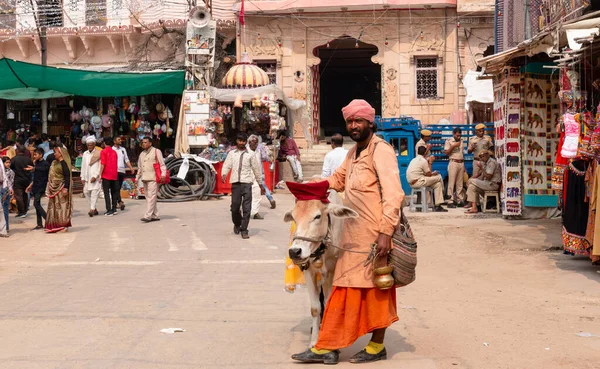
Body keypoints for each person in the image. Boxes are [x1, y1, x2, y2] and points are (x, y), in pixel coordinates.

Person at [292, 99, 404, 365]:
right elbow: (337, 180)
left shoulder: (381, 151)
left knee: (377, 290)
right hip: (351, 236)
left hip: (375, 236)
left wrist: (386, 232)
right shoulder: (353, 153)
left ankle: (376, 347)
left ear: (370, 123)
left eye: (358, 121)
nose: (354, 126)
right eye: (350, 122)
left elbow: (394, 194)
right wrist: (310, 186)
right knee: (342, 290)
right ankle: (327, 346)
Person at [222, 133, 262, 239]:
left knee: (247, 208)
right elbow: (227, 165)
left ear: (245, 142)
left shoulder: (251, 155)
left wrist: (260, 182)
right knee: (235, 207)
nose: (241, 143)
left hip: (247, 183)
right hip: (235, 183)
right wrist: (224, 174)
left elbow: (256, 169)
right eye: (239, 141)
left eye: (243, 141)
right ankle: (237, 223)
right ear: (237, 141)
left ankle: (244, 230)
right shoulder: (232, 153)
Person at [406, 146, 448, 212]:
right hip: (418, 182)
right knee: (439, 177)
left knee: (437, 184)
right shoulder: (423, 161)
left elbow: (423, 173)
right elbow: (428, 174)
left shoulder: (413, 160)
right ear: (425, 153)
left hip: (413, 182)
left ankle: (437, 206)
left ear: (417, 152)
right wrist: (430, 162)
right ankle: (444, 195)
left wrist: (432, 173)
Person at [136, 137, 167, 222]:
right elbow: (140, 167)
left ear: (150, 143)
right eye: (143, 142)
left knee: (152, 197)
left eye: (145, 142)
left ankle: (148, 215)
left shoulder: (156, 151)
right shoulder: (142, 154)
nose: (144, 144)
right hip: (145, 178)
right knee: (149, 197)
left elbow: (162, 164)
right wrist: (137, 178)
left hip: (153, 178)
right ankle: (155, 215)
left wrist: (163, 174)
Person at [45, 146, 72, 233]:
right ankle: (54, 225)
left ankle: (63, 226)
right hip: (53, 188)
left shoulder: (64, 164)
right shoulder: (54, 162)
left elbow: (67, 176)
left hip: (61, 188)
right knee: (53, 207)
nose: (54, 154)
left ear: (61, 154)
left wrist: (66, 188)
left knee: (62, 207)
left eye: (56, 152)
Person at [247, 135, 273, 219]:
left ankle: (255, 212)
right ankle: (244, 210)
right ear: (249, 142)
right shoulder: (245, 151)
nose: (254, 144)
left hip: (258, 175)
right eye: (253, 142)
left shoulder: (259, 150)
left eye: (256, 142)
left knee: (257, 194)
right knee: (246, 194)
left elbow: (264, 157)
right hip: (247, 175)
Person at [26, 148, 50, 230]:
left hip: (42, 186)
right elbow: (36, 176)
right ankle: (39, 224)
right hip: (35, 185)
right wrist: (30, 185)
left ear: (41, 155)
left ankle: (48, 219)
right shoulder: (36, 163)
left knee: (36, 204)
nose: (34, 156)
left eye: (36, 154)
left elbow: (44, 170)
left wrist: (34, 168)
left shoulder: (45, 163)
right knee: (37, 204)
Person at [444, 127, 465, 208]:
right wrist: (453, 146)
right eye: (457, 135)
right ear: (454, 134)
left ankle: (459, 200)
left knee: (460, 183)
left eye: (460, 135)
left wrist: (464, 165)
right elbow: (446, 153)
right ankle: (450, 200)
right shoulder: (449, 141)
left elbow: (462, 153)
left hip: (461, 162)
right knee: (451, 182)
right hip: (453, 162)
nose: (458, 137)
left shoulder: (462, 141)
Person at [81, 136, 102, 217]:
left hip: (95, 177)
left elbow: (100, 166)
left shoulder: (98, 153)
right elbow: (83, 166)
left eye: (91, 145)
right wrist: (82, 177)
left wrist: (95, 176)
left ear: (94, 144)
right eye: (88, 145)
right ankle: (94, 208)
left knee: (94, 193)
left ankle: (92, 209)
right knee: (86, 191)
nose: (89, 146)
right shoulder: (85, 154)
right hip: (86, 177)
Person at [10, 144, 33, 218]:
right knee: (25, 195)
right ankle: (24, 210)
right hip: (27, 179)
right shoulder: (28, 159)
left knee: (18, 195)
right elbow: (32, 168)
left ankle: (22, 211)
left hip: (18, 179)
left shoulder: (14, 159)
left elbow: (10, 168)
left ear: (17, 151)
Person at [113, 136, 134, 211]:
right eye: (118, 139)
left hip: (122, 170)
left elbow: (126, 159)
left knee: (118, 187)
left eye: (120, 140)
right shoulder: (112, 149)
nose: (120, 141)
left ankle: (117, 202)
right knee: (116, 187)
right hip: (114, 170)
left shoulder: (123, 149)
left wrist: (131, 168)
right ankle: (119, 202)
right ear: (114, 141)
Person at [99, 137, 119, 216]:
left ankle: (109, 209)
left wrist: (100, 174)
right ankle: (114, 208)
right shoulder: (114, 152)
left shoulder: (103, 151)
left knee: (106, 192)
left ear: (104, 143)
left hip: (106, 174)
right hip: (114, 173)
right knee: (114, 191)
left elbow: (103, 163)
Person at [1, 157, 14, 232]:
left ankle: (6, 227)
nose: (8, 164)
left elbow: (11, 183)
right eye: (6, 162)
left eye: (9, 162)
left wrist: (11, 190)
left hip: (6, 191)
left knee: (5, 210)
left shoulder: (11, 172)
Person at [0, 158, 8, 237]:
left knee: (1, 210)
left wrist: (5, 189)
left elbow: (3, 176)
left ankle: (2, 230)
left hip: (1, 187)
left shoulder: (0, 161)